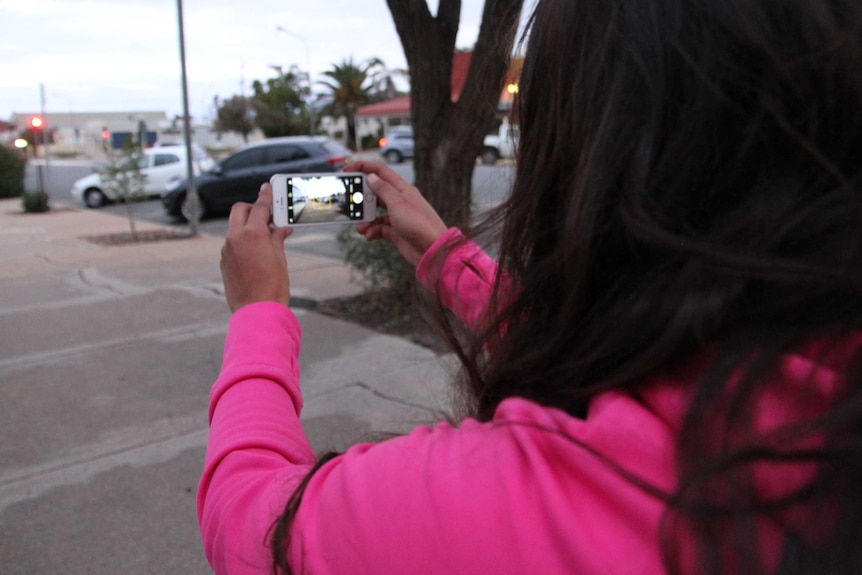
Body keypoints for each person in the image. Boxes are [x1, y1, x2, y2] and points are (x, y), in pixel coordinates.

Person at [198, 0, 862, 573]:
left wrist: (258, 314)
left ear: (594, 171)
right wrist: (441, 252)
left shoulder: (520, 500)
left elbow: (249, 521)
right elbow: (631, 365)